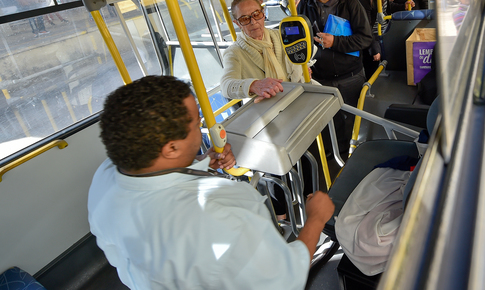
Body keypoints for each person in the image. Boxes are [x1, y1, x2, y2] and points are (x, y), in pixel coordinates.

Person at [88, 75, 335, 289]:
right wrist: (315, 218)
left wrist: (201, 162)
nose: (202, 127)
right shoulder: (215, 220)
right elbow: (284, 279)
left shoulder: (105, 177)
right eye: (196, 124)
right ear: (171, 147)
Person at [297, 0, 372, 157]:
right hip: (320, 77)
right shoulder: (304, 6)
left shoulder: (351, 4)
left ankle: (357, 153)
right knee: (330, 119)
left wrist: (335, 42)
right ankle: (336, 152)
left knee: (355, 117)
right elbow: (299, 40)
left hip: (350, 75)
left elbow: (365, 38)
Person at [220, 0, 304, 102]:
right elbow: (225, 86)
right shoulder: (234, 53)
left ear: (263, 13)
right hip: (265, 109)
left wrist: (302, 69)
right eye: (245, 19)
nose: (253, 22)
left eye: (256, 14)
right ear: (237, 23)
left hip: (295, 97)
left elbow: (299, 58)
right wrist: (254, 85)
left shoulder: (281, 36)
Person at [353, 0, 389, 77]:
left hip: (382, 34)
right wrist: (374, 47)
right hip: (373, 39)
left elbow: (385, 9)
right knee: (372, 74)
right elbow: (366, 27)